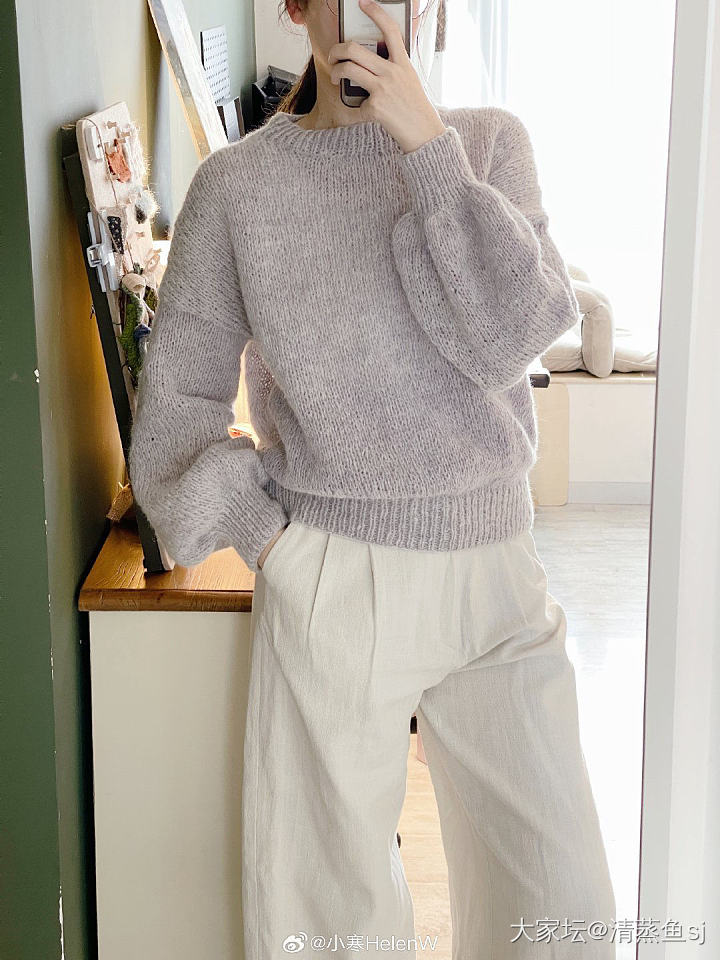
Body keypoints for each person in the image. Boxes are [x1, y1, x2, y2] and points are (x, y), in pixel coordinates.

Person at [128, 0, 617, 954]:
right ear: (297, 7)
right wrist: (272, 540)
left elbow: (516, 334)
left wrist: (429, 152)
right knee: (328, 919)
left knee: (564, 907)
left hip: (496, 575)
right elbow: (177, 406)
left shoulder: (488, 145)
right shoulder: (237, 188)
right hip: (334, 578)